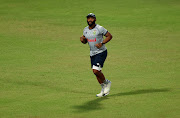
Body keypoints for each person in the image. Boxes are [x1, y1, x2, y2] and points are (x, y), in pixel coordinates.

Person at [80, 13, 113, 97]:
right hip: (92, 54)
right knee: (96, 72)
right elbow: (85, 41)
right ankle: (103, 89)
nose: (90, 20)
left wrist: (102, 43)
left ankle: (107, 83)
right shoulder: (85, 29)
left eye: (91, 18)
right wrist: (82, 40)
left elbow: (109, 36)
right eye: (88, 18)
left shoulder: (99, 28)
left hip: (101, 52)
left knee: (96, 70)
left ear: (95, 19)